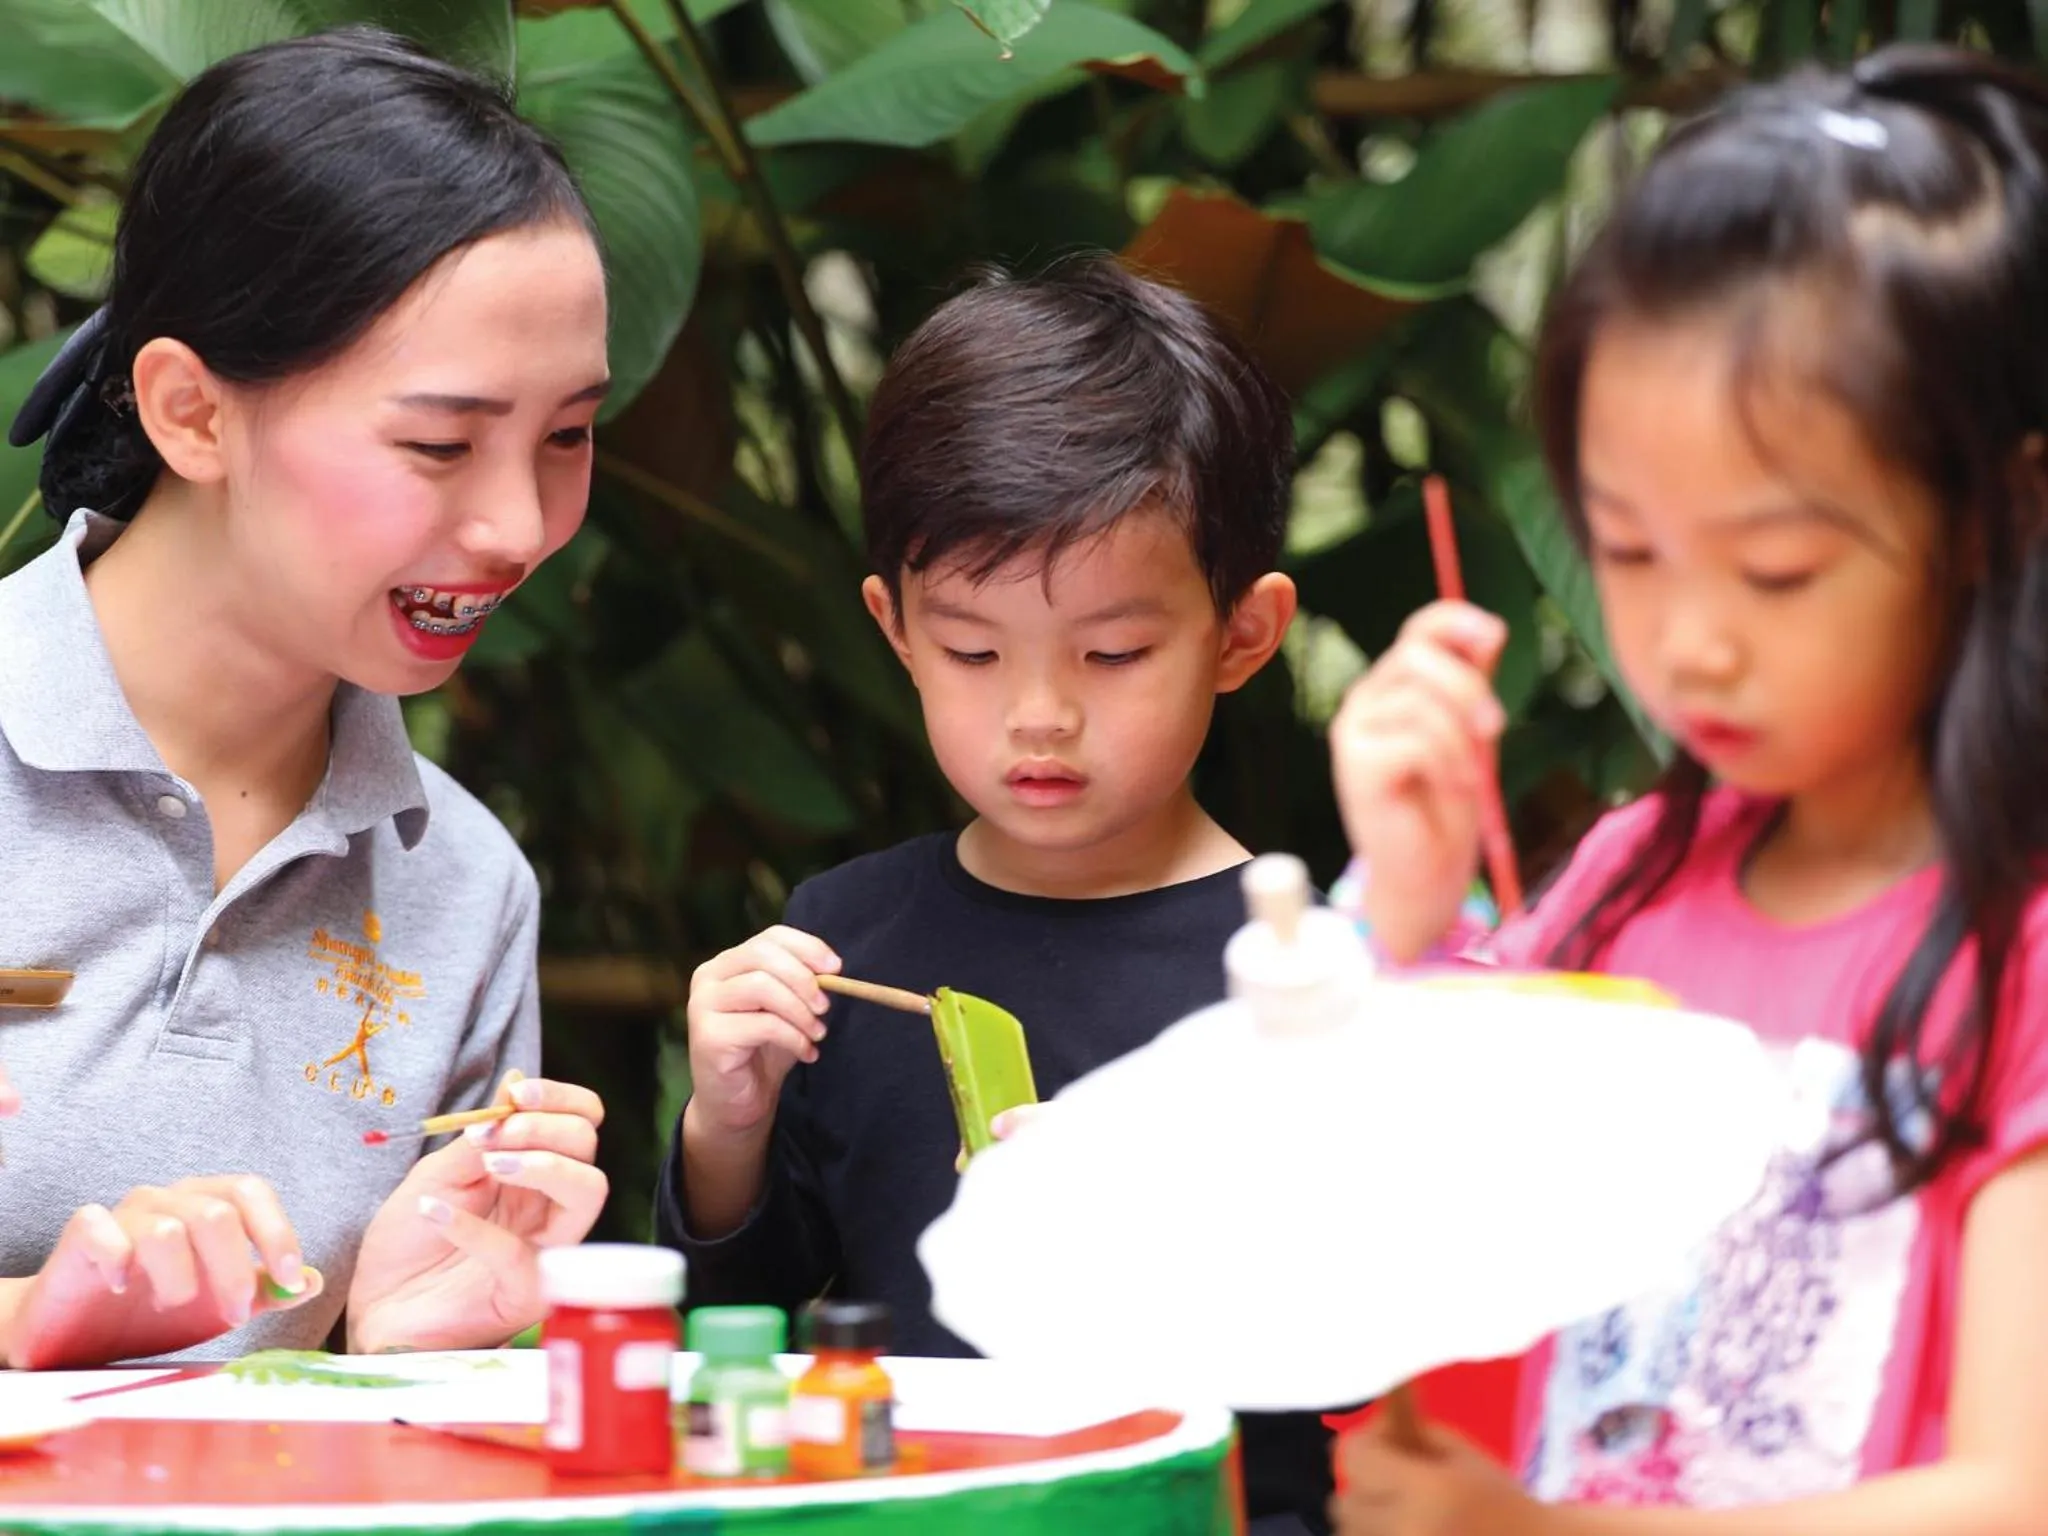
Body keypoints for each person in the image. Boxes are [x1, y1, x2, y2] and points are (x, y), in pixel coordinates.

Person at [1327, 43, 2048, 1535]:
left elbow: (2016, 1494)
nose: (1687, 641)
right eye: (1629, 550)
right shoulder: (1624, 879)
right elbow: (1417, 1246)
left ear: (2000, 514)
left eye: (1774, 569)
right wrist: (1400, 907)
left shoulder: (2023, 953)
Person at [657, 256, 1344, 1532]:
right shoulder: (844, 938)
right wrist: (725, 1134)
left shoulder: (1306, 970)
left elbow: (1373, 1352)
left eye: (1113, 653)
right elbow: (731, 1332)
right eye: (972, 651)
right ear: (895, 629)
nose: (1038, 714)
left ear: (1242, 635)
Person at [0, 28, 610, 1370]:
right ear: (191, 412)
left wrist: (395, 1347)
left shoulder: (464, 887)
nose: (518, 528)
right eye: (439, 443)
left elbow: (349, 1423)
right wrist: (24, 1324)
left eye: (567, 435)